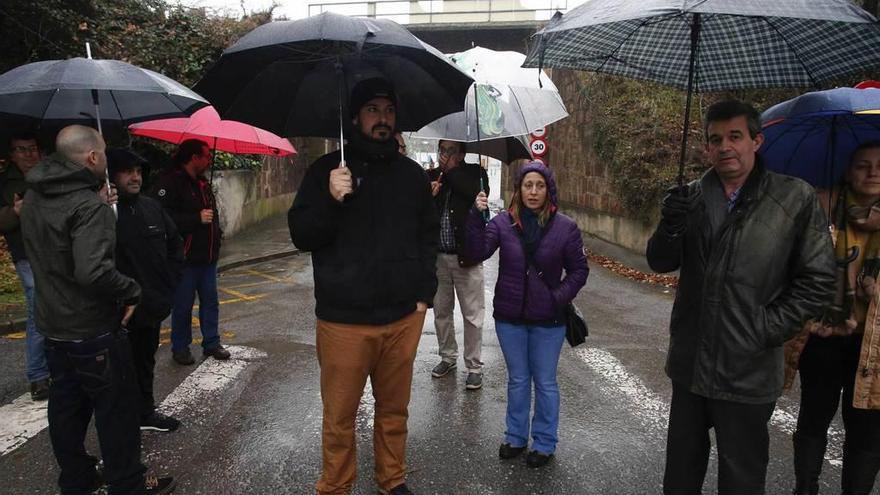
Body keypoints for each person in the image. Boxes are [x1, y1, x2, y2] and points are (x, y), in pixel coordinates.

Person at [645, 100, 835, 494]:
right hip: (690, 366)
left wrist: (765, 328)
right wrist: (669, 225)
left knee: (742, 479)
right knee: (679, 478)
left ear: (757, 140)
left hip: (748, 370)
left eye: (735, 136)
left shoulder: (793, 199)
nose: (725, 147)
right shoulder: (691, 197)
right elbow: (660, 262)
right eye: (715, 139)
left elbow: (817, 280)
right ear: (706, 148)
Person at [288, 77, 438, 495]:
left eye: (388, 111)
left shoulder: (412, 177)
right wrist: (331, 201)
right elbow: (302, 235)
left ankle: (392, 479)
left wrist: (425, 295)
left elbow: (428, 238)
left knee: (394, 412)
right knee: (339, 417)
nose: (382, 119)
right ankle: (336, 485)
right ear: (355, 117)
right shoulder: (326, 172)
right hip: (343, 321)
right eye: (373, 110)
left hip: (402, 316)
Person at [20, 125, 175, 494]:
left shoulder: (34, 195)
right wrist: (131, 289)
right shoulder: (90, 207)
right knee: (116, 411)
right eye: (103, 153)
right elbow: (93, 271)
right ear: (92, 158)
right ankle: (128, 483)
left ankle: (77, 478)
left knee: (67, 408)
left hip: (54, 325)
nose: (106, 158)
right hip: (93, 328)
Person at [465, 161, 588, 468]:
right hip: (510, 318)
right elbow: (474, 253)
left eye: (540, 185)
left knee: (545, 382)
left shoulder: (566, 228)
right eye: (527, 185)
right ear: (518, 189)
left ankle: (544, 442)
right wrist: (474, 217)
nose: (533, 192)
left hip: (550, 321)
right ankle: (516, 437)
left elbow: (578, 271)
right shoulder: (502, 224)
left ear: (549, 190)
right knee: (518, 380)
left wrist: (556, 298)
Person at [785, 141, 880, 495]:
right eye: (862, 165)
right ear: (846, 170)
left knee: (868, 428)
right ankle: (804, 488)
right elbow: (793, 264)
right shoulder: (821, 207)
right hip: (824, 333)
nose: (872, 173)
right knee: (814, 417)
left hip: (875, 341)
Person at [109, 148, 184, 433]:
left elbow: (174, 244)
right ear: (112, 176)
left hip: (151, 305)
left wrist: (169, 284)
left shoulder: (152, 207)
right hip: (119, 311)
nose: (135, 177)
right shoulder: (104, 211)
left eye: (138, 172)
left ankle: (145, 411)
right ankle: (121, 422)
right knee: (119, 371)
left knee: (145, 362)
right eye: (128, 171)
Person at [152, 139, 230, 365]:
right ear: (194, 157)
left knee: (210, 302)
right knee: (183, 305)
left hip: (207, 258)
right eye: (206, 156)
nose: (209, 160)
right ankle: (180, 347)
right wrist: (196, 219)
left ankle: (211, 342)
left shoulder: (202, 184)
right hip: (185, 259)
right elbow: (161, 218)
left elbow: (212, 216)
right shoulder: (171, 183)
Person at [426, 140, 489, 390]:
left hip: (467, 257)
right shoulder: (432, 176)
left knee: (473, 315)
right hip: (438, 257)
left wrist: (451, 172)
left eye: (451, 151)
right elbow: (422, 212)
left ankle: (473, 366)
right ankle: (447, 357)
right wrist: (429, 193)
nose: (445, 155)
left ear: (462, 154)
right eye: (442, 150)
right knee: (441, 311)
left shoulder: (476, 174)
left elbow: (475, 194)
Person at [0, 131, 50, 400]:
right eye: (21, 149)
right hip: (28, 254)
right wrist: (14, 212)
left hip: (55, 251)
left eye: (32, 148)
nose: (28, 154)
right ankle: (38, 375)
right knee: (37, 311)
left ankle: (53, 367)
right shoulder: (6, 182)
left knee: (59, 309)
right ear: (12, 154)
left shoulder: (51, 175)